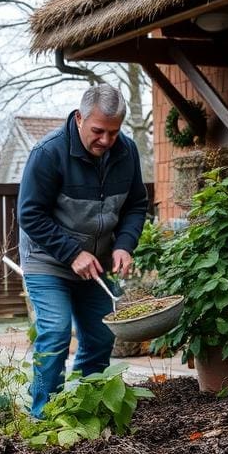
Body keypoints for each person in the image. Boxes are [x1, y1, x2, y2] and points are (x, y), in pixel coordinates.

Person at [18, 85, 148, 417]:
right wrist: (71, 253)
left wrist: (123, 245)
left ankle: (85, 412)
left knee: (102, 337)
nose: (106, 140)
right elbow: (30, 214)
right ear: (79, 118)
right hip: (48, 260)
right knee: (56, 332)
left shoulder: (127, 153)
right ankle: (44, 419)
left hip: (97, 263)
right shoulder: (48, 153)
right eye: (98, 131)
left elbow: (136, 205)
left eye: (114, 132)